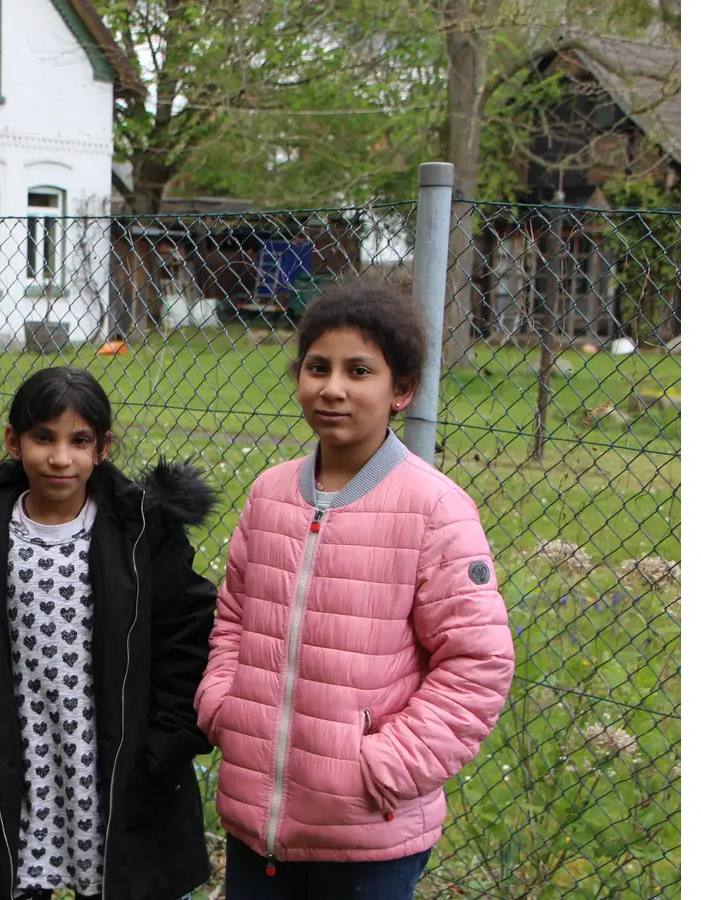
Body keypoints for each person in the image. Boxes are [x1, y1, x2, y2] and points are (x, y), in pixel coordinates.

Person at [193, 283, 515, 899]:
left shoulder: (434, 509)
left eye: (358, 371)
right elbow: (234, 614)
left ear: (401, 390)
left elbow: (477, 664)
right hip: (257, 818)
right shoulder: (270, 494)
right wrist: (223, 706)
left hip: (367, 834)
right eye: (318, 367)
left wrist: (385, 766)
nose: (332, 388)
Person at [0, 366, 220, 900]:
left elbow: (186, 640)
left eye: (79, 441)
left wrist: (162, 747)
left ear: (102, 448)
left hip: (120, 771)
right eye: (43, 438)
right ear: (13, 441)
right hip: (26, 765)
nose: (60, 458)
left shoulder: (141, 536)